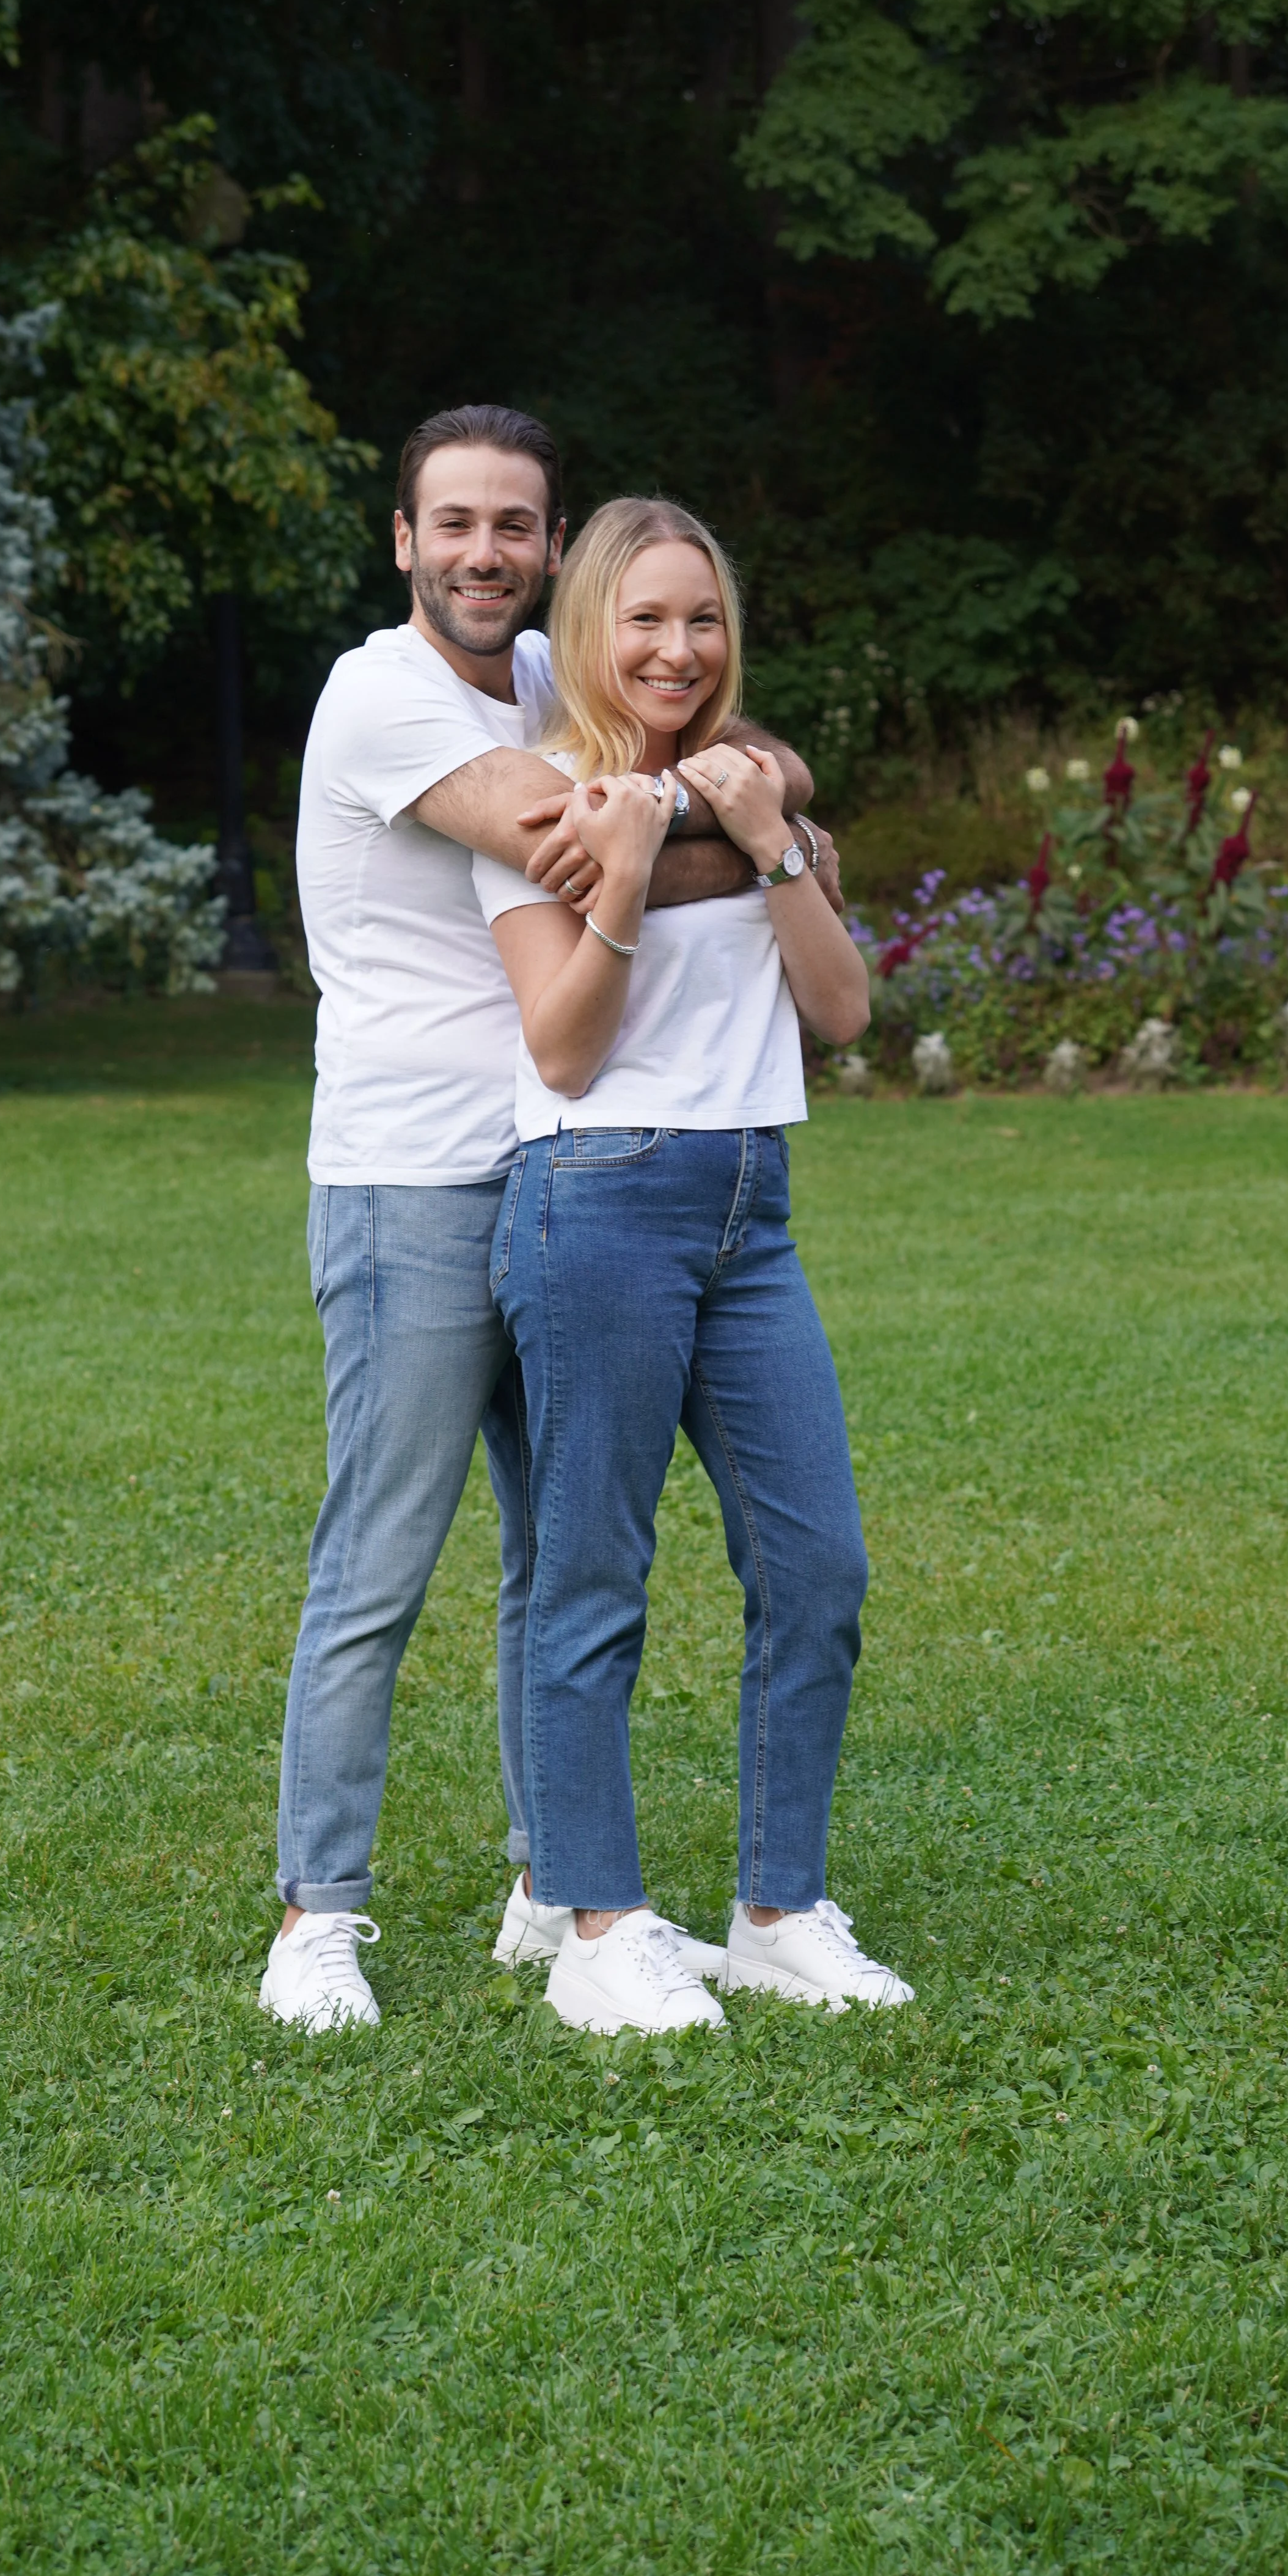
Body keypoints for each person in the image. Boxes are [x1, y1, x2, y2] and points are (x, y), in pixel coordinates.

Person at [260, 406, 827, 2035]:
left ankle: (543, 1883)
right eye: (455, 524)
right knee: (381, 1552)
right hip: (408, 1177)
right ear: (402, 540)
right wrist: (774, 837)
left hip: (547, 1166)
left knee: (545, 1549)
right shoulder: (381, 695)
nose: (485, 553)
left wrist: (753, 790)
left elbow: (722, 760)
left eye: (515, 524)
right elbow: (575, 848)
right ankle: (318, 1915)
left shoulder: (531, 680)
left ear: (549, 539)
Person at [475, 496, 914, 2035]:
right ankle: (594, 1923)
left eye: (702, 617)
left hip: (749, 1209)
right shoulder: (537, 802)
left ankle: (777, 1910)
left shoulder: (755, 793)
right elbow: (565, 1047)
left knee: (816, 1570)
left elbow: (841, 1012)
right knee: (591, 1574)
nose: (676, 647)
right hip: (592, 1201)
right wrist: (623, 866)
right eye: (645, 618)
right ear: (588, 629)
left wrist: (768, 837)